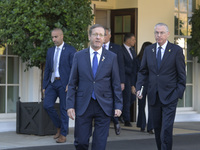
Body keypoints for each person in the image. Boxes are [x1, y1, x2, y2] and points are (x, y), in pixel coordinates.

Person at [66, 24, 123, 150]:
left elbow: (116, 83)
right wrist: (70, 105)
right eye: (95, 34)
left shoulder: (112, 57)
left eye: (101, 35)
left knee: (99, 144)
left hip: (104, 104)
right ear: (89, 36)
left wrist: (118, 105)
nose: (98, 37)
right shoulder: (79, 56)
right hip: (83, 104)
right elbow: (72, 82)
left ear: (104, 38)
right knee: (80, 141)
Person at [136, 23, 186, 150]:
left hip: (170, 96)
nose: (158, 35)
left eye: (162, 33)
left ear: (168, 34)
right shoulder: (149, 50)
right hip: (154, 96)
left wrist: (178, 93)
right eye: (156, 33)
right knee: (157, 129)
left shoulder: (176, 50)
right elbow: (143, 71)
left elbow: (181, 75)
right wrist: (139, 88)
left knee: (166, 129)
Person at [43, 28, 76, 143]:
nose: (54, 39)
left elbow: (74, 69)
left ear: (62, 36)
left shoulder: (71, 50)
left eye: (56, 37)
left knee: (63, 109)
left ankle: (63, 134)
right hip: (52, 83)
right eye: (52, 37)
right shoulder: (50, 51)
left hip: (64, 83)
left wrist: (70, 84)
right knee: (47, 105)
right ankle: (59, 126)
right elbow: (47, 69)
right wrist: (44, 86)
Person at [103, 27, 125, 135]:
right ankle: (105, 128)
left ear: (110, 35)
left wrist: (122, 82)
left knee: (112, 102)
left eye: (105, 34)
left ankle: (116, 121)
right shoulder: (97, 48)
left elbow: (121, 65)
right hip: (102, 81)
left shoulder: (116, 48)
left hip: (114, 80)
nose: (102, 37)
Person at [136, 41, 154, 134]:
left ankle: (142, 125)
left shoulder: (137, 59)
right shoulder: (152, 59)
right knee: (150, 106)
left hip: (143, 84)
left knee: (141, 106)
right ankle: (150, 127)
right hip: (148, 84)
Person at [121, 33, 137, 127]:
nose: (134, 41)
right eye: (133, 40)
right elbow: (122, 65)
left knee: (133, 97)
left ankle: (122, 112)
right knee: (127, 97)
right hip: (125, 77)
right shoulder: (121, 50)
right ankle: (126, 119)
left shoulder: (133, 50)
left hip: (133, 77)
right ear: (128, 40)